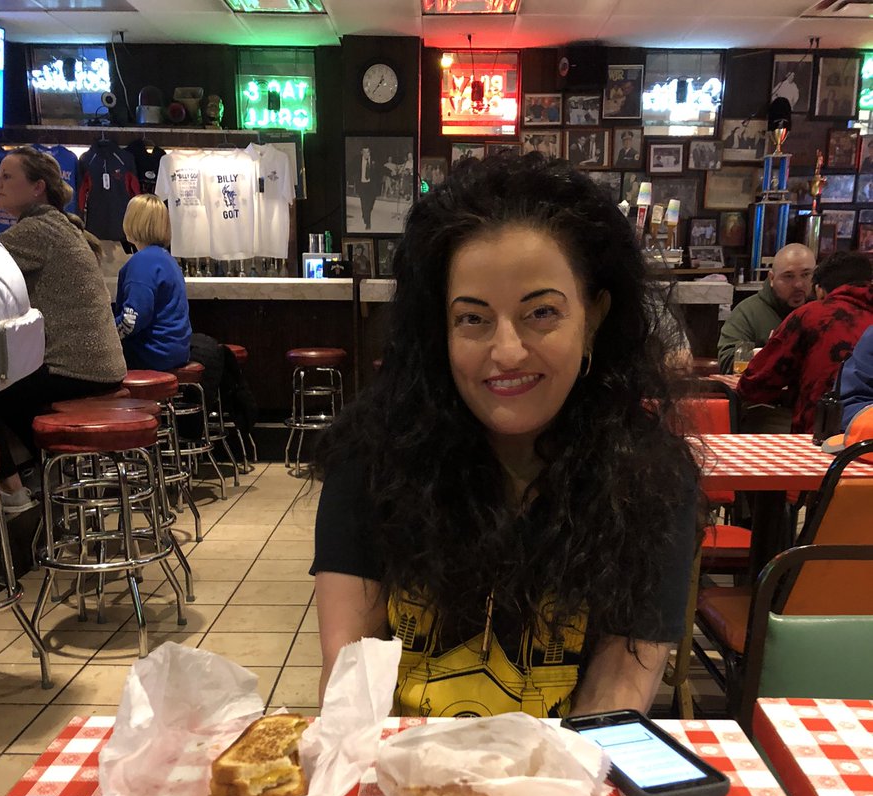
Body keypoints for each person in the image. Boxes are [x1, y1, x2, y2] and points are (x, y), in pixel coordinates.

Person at [312, 154, 700, 718]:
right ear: (438, 330)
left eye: (541, 312)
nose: (508, 352)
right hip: (400, 776)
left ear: (592, 318)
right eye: (473, 319)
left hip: (561, 782)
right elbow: (350, 683)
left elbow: (617, 694)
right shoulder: (370, 461)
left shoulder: (652, 478)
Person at [0, 146, 125, 504]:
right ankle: (38, 476)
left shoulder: (36, 230)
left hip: (75, 371)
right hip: (101, 368)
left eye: (8, 176)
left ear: (38, 188)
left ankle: (18, 486)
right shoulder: (62, 224)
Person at [737, 251, 873, 434]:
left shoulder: (811, 315)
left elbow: (755, 385)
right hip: (865, 438)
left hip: (819, 434)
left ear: (819, 290)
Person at [114, 193, 191, 371]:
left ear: (132, 222)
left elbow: (131, 320)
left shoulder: (142, 262)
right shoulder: (167, 259)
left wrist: (101, 334)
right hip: (176, 351)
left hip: (151, 353)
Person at [717, 242, 816, 373]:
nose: (798, 284)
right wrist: (765, 355)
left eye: (805, 275)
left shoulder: (824, 312)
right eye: (788, 276)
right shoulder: (749, 312)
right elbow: (727, 360)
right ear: (772, 278)